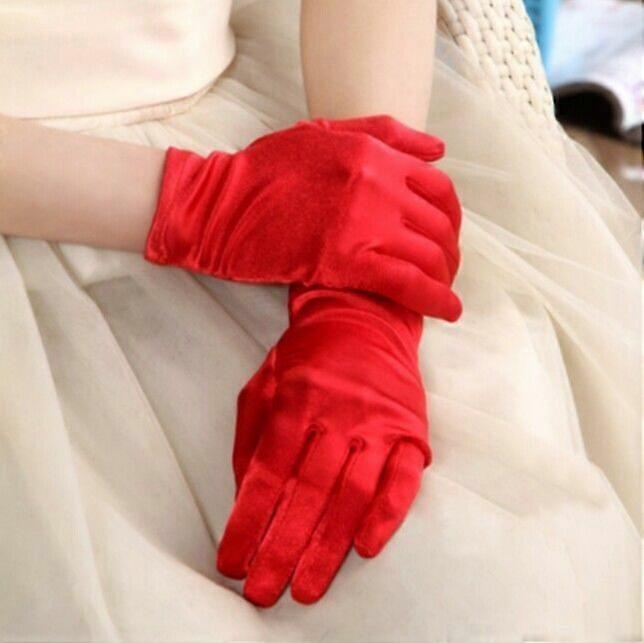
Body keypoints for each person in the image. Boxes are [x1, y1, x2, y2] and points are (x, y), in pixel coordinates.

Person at [0, 0, 639, 641]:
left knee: (487, 572)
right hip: (47, 226)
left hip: (279, 140)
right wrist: (201, 204)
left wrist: (362, 290)